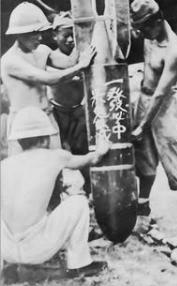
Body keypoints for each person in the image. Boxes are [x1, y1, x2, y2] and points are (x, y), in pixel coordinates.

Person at [1, 106, 110, 277]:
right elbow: (92, 158)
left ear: (19, 141)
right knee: (78, 202)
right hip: (35, 250)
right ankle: (79, 264)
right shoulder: (55, 157)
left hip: (6, 249)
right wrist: (102, 148)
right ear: (45, 139)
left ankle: (7, 266)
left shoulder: (4, 165)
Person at [130, 0, 177, 246]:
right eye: (140, 28)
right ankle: (143, 205)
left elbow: (161, 92)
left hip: (165, 106)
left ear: (158, 21)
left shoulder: (175, 48)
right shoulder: (149, 35)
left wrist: (142, 125)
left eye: (146, 27)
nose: (143, 32)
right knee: (145, 160)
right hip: (144, 100)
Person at [1, 2, 95, 154]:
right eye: (34, 33)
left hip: (47, 117)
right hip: (23, 125)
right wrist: (81, 66)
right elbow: (48, 79)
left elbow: (69, 63)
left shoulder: (42, 50)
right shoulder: (10, 60)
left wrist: (81, 34)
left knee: (56, 165)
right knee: (28, 170)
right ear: (19, 34)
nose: (39, 37)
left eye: (41, 32)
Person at [48, 11, 91, 195]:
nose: (70, 40)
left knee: (81, 151)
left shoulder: (82, 54)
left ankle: (90, 189)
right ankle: (57, 191)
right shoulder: (51, 56)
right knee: (55, 154)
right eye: (65, 35)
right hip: (58, 112)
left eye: (73, 35)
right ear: (54, 35)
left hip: (77, 110)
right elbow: (66, 68)